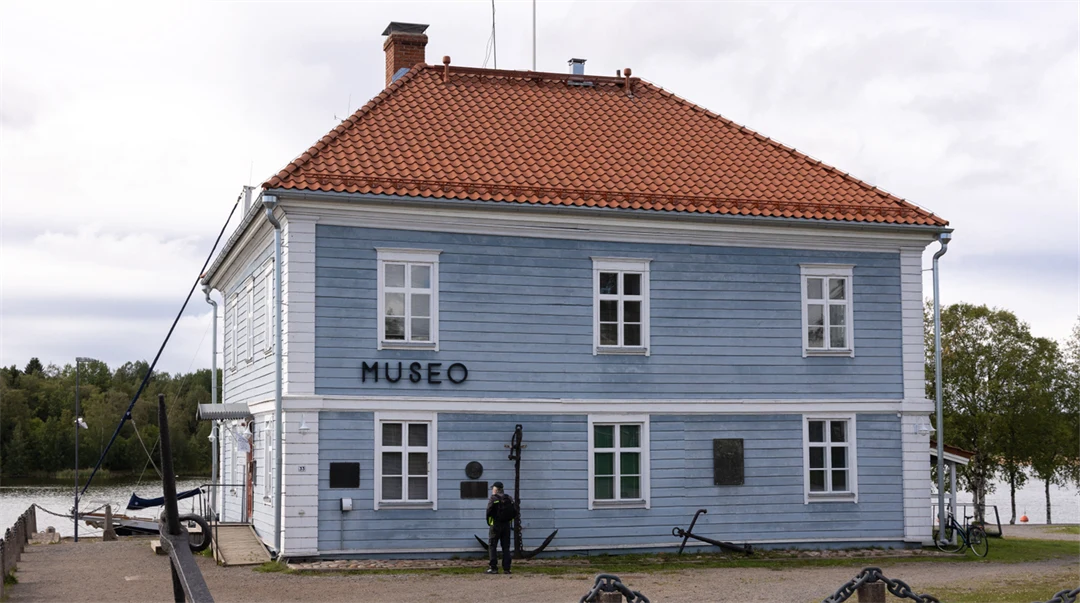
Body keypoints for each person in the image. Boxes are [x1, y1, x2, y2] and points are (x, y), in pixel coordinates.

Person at [485, 481, 517, 574]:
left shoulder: (493, 498)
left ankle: (493, 567)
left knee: (492, 546)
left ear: (495, 489)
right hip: (506, 525)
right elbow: (514, 512)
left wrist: (490, 522)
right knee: (506, 547)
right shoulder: (509, 498)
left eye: (493, 488)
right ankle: (507, 568)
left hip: (495, 525)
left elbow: (488, 511)